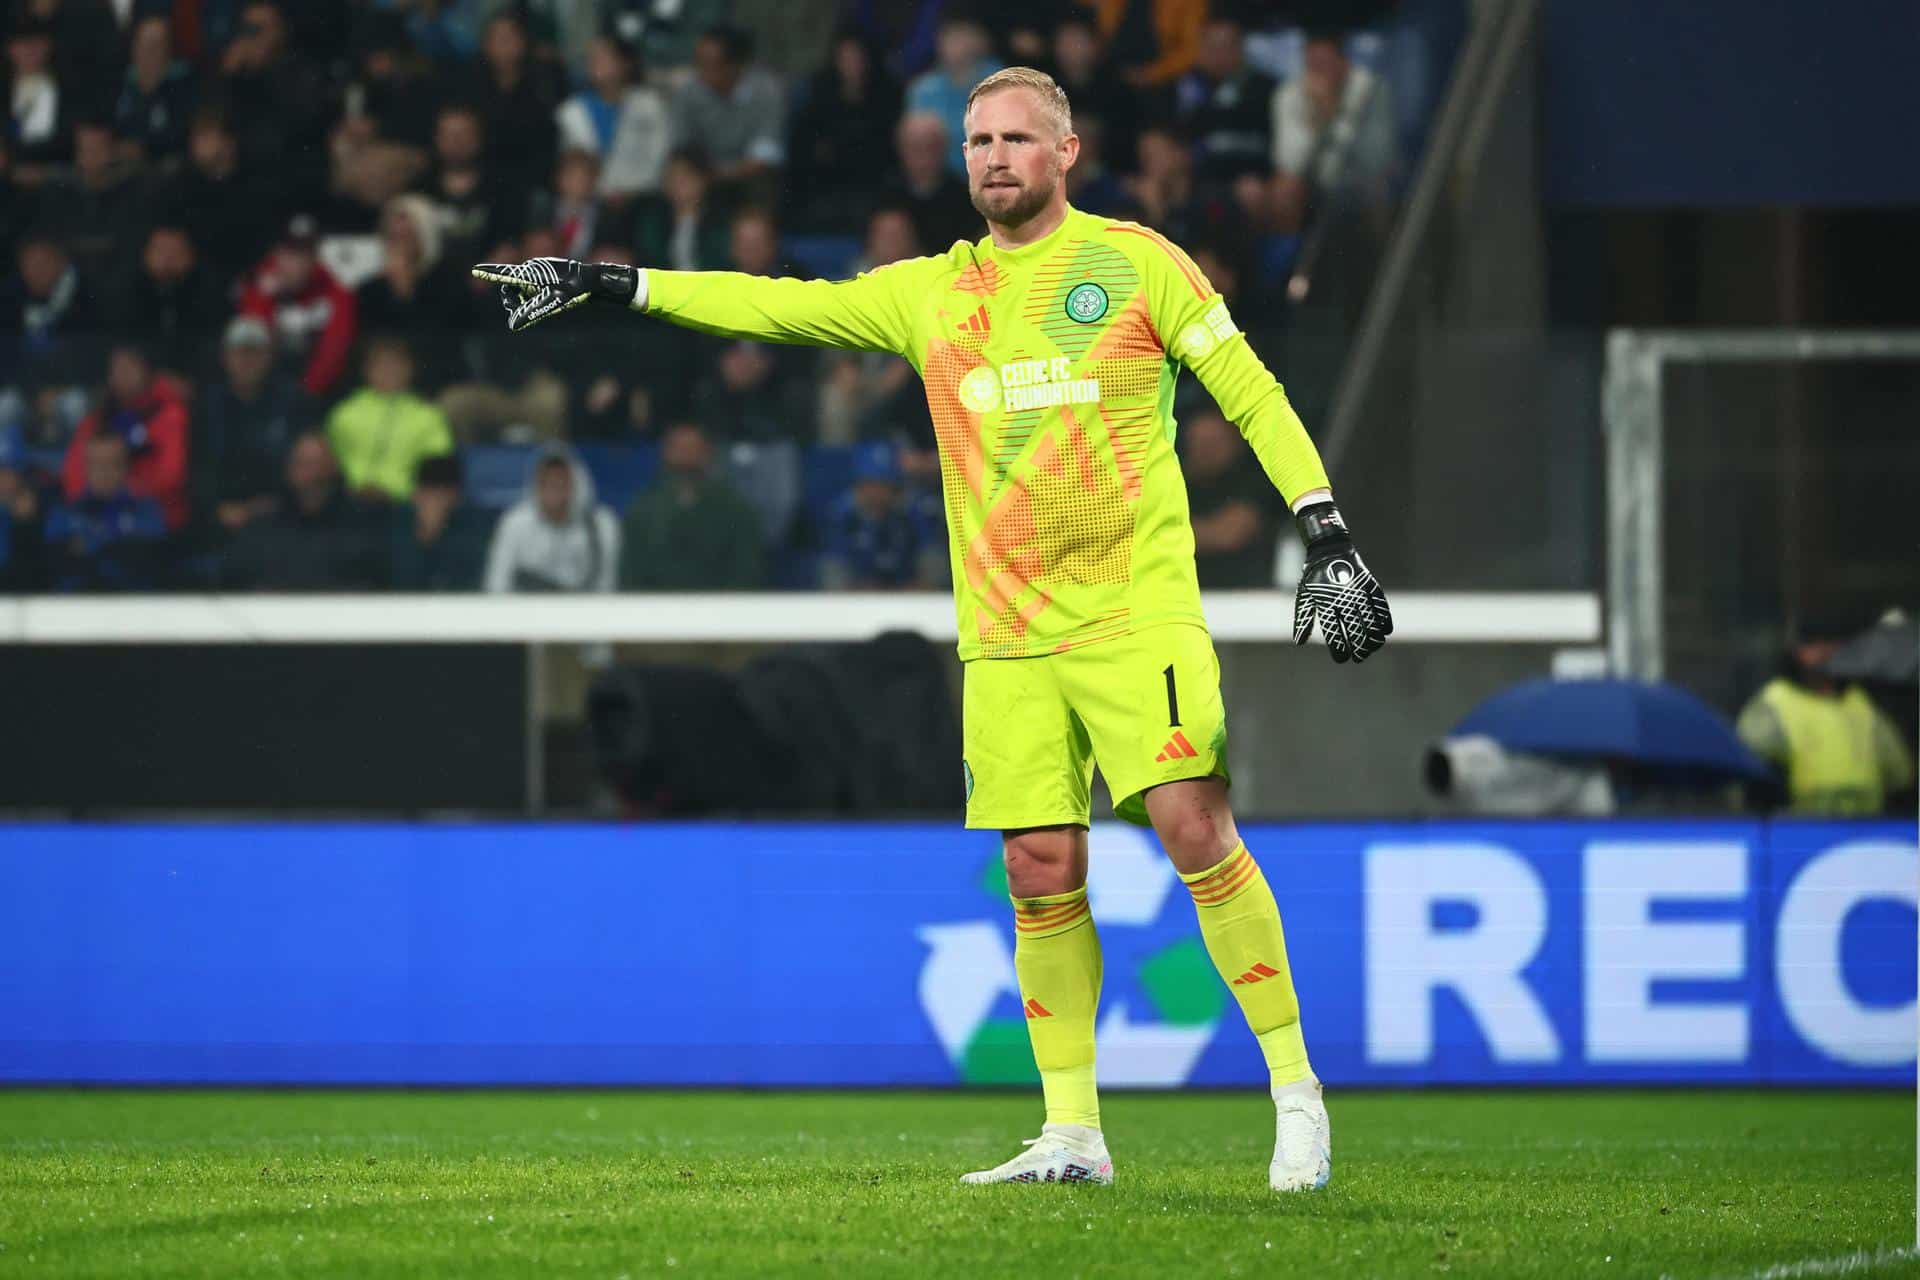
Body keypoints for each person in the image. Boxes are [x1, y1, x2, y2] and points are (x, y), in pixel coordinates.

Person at [477, 65, 1393, 1191]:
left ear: (1065, 153)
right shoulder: (930, 293)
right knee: (1038, 863)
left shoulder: (1137, 263)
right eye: (976, 141)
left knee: (1193, 826)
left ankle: (1297, 1096)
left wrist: (1324, 525)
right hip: (1004, 634)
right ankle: (1073, 1133)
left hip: (1133, 610)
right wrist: (619, 284)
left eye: (1017, 137)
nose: (994, 157)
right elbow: (778, 302)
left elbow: (1250, 390)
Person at [1736, 626, 1916, 815]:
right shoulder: (1775, 701)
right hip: (1800, 826)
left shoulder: (1860, 702)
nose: (1823, 651)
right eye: (1811, 644)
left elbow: (1900, 773)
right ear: (1794, 652)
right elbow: (1749, 771)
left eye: (1830, 643)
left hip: (1867, 825)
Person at [189, 316, 308, 548]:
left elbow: (302, 463)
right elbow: (198, 466)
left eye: (255, 353)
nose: (247, 361)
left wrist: (270, 505)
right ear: (225, 357)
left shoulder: (292, 401)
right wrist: (217, 508)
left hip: (281, 515)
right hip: (220, 519)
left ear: (269, 357)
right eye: (240, 353)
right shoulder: (207, 405)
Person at [1267, 31, 1399, 233]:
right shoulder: (1290, 95)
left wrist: (1332, 115)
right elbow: (1289, 162)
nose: (1317, 74)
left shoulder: (1369, 88)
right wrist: (1318, 121)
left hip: (1361, 180)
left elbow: (1376, 157)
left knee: (1374, 187)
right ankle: (1291, 258)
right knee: (1284, 190)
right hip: (1312, 184)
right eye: (1312, 66)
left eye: (1324, 65)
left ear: (1343, 63)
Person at [222, 432, 382, 590]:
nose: (308, 474)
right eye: (300, 463)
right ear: (288, 469)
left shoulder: (360, 529)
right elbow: (238, 584)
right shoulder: (261, 529)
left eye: (315, 464)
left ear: (333, 467)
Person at [618, 421, 763, 591]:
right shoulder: (642, 512)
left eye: (692, 449)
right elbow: (631, 576)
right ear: (665, 453)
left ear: (708, 453)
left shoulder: (738, 512)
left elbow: (746, 574)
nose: (685, 457)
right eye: (679, 449)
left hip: (720, 610)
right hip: (657, 610)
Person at [62, 345, 191, 531]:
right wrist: (95, 495)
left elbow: (171, 476)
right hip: (96, 515)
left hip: (155, 518)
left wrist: (126, 491)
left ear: (146, 371)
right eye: (117, 369)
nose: (122, 375)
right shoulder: (96, 419)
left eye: (130, 367)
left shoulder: (170, 414)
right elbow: (73, 475)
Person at [237, 215, 359, 398]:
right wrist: (266, 296)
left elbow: (334, 351)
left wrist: (306, 393)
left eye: (305, 255)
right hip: (264, 390)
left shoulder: (337, 293)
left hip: (316, 390)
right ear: (276, 253)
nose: (297, 264)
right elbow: (253, 343)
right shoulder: (257, 286)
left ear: (316, 257)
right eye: (289, 254)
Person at [324, 336, 455, 503]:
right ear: (367, 370)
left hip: (406, 506)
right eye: (382, 364)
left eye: (396, 364)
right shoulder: (344, 413)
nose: (389, 371)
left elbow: (438, 470)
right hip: (348, 503)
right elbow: (329, 463)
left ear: (410, 369)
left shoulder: (429, 417)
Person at [483, 445, 620, 592]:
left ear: (578, 484)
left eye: (561, 481)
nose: (554, 488)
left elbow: (607, 587)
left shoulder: (602, 525)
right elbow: (496, 584)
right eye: (546, 481)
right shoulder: (515, 524)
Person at [668, 25, 786, 196]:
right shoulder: (689, 92)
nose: (700, 71)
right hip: (702, 174)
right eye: (698, 62)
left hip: (750, 175)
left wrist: (724, 175)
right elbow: (681, 145)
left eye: (708, 64)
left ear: (734, 66)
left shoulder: (767, 91)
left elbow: (765, 153)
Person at [45, 431, 170, 592]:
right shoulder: (65, 512)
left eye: (112, 464)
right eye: (97, 465)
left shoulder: (146, 511)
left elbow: (151, 558)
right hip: (77, 607)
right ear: (86, 468)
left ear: (125, 467)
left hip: (133, 606)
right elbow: (54, 561)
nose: (104, 472)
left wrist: (94, 543)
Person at [555, 34, 668, 202]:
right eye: (592, 58)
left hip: (642, 199)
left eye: (604, 56)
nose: (596, 62)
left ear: (625, 63)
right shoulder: (571, 112)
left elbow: (660, 157)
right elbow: (569, 167)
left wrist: (631, 193)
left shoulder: (650, 106)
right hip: (589, 204)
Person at [1180, 402, 1279, 588]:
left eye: (1213, 443)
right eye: (1198, 443)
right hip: (1184, 591)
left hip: (1245, 593)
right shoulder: (1176, 481)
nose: (1205, 451)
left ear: (1234, 441)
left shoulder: (1255, 479)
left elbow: (1228, 534)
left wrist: (1168, 533)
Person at [820, 442, 942, 590]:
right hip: (857, 603)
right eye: (870, 483)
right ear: (859, 485)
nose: (877, 493)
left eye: (885, 484)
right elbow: (832, 578)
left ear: (897, 487)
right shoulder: (842, 515)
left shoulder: (916, 512)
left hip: (910, 600)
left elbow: (934, 573)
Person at [904, 17, 1000, 177]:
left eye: (962, 36)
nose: (955, 45)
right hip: (940, 181)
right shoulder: (923, 89)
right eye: (950, 37)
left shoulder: (1000, 80)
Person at [388, 453, 490, 590]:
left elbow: (466, 585)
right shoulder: (396, 528)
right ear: (415, 494)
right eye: (426, 493)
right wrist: (425, 535)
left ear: (455, 497)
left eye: (439, 496)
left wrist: (434, 532)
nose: (432, 502)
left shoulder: (471, 532)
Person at [0, 426, 49, 591]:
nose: (3, 481)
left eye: (8, 472)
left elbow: (40, 580)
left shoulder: (42, 511)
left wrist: (25, 526)